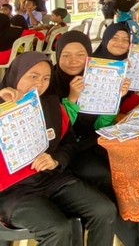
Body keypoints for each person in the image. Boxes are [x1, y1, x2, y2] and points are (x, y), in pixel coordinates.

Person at [48, 31, 139, 246]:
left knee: (131, 169)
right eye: (66, 55)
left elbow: (100, 125)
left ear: (88, 56)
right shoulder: (49, 84)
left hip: (90, 144)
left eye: (80, 55)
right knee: (109, 179)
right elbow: (58, 132)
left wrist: (114, 98)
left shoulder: (95, 79)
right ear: (57, 56)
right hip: (63, 154)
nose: (73, 61)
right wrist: (71, 99)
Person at [0, 52, 116, 245]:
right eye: (33, 76)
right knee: (58, 229)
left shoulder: (52, 105)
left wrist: (56, 159)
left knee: (104, 210)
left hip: (51, 179)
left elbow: (69, 143)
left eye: (46, 78)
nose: (39, 84)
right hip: (12, 191)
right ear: (16, 74)